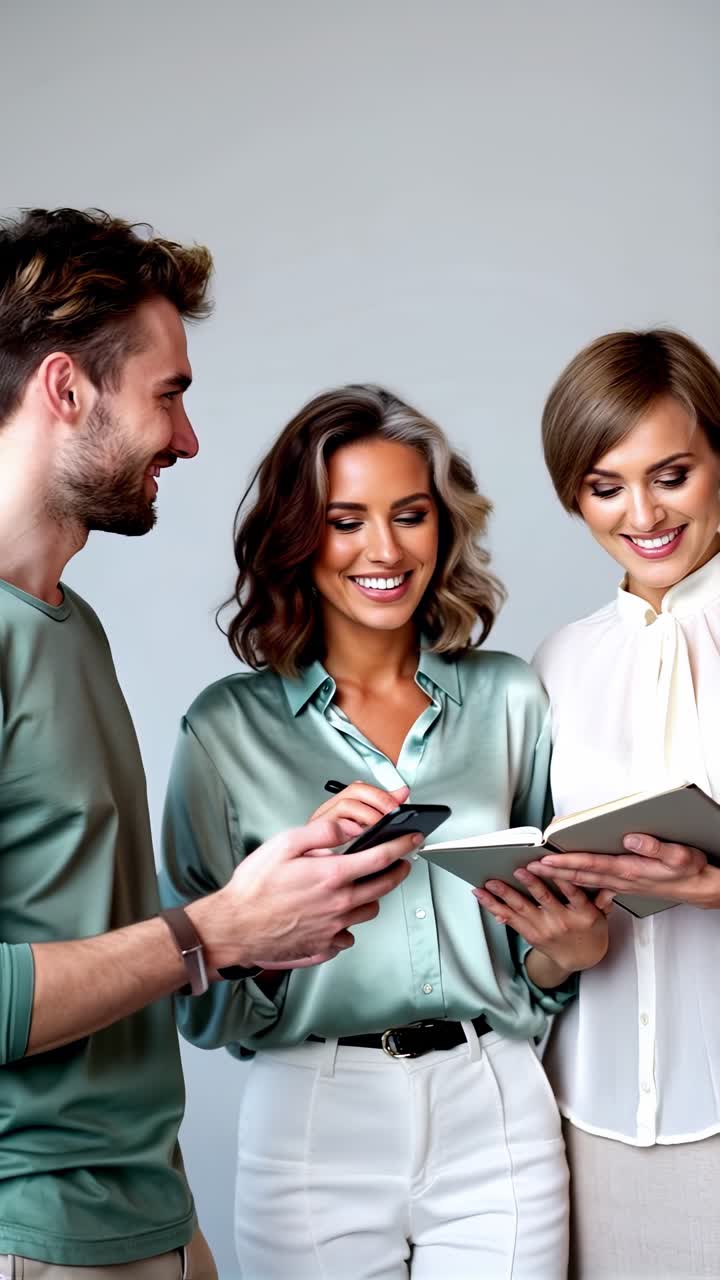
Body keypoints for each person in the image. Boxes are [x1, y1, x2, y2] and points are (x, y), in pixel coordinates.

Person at [0, 209, 413, 1280]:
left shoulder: (68, 625)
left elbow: (84, 926)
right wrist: (216, 929)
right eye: (169, 394)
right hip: (35, 1228)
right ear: (65, 388)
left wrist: (264, 913)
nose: (187, 439)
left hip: (149, 1208)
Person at [159, 383, 612, 1279]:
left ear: (443, 526)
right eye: (346, 521)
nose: (385, 550)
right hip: (311, 1117)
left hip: (497, 1102)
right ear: (299, 536)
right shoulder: (223, 730)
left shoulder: (511, 698)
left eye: (410, 515)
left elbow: (532, 948)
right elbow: (198, 999)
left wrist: (567, 954)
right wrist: (296, 896)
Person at [481, 329, 720, 1278]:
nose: (644, 514)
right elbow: (541, 947)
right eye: (605, 486)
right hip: (586, 1119)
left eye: (673, 475)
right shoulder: (555, 664)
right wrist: (552, 940)